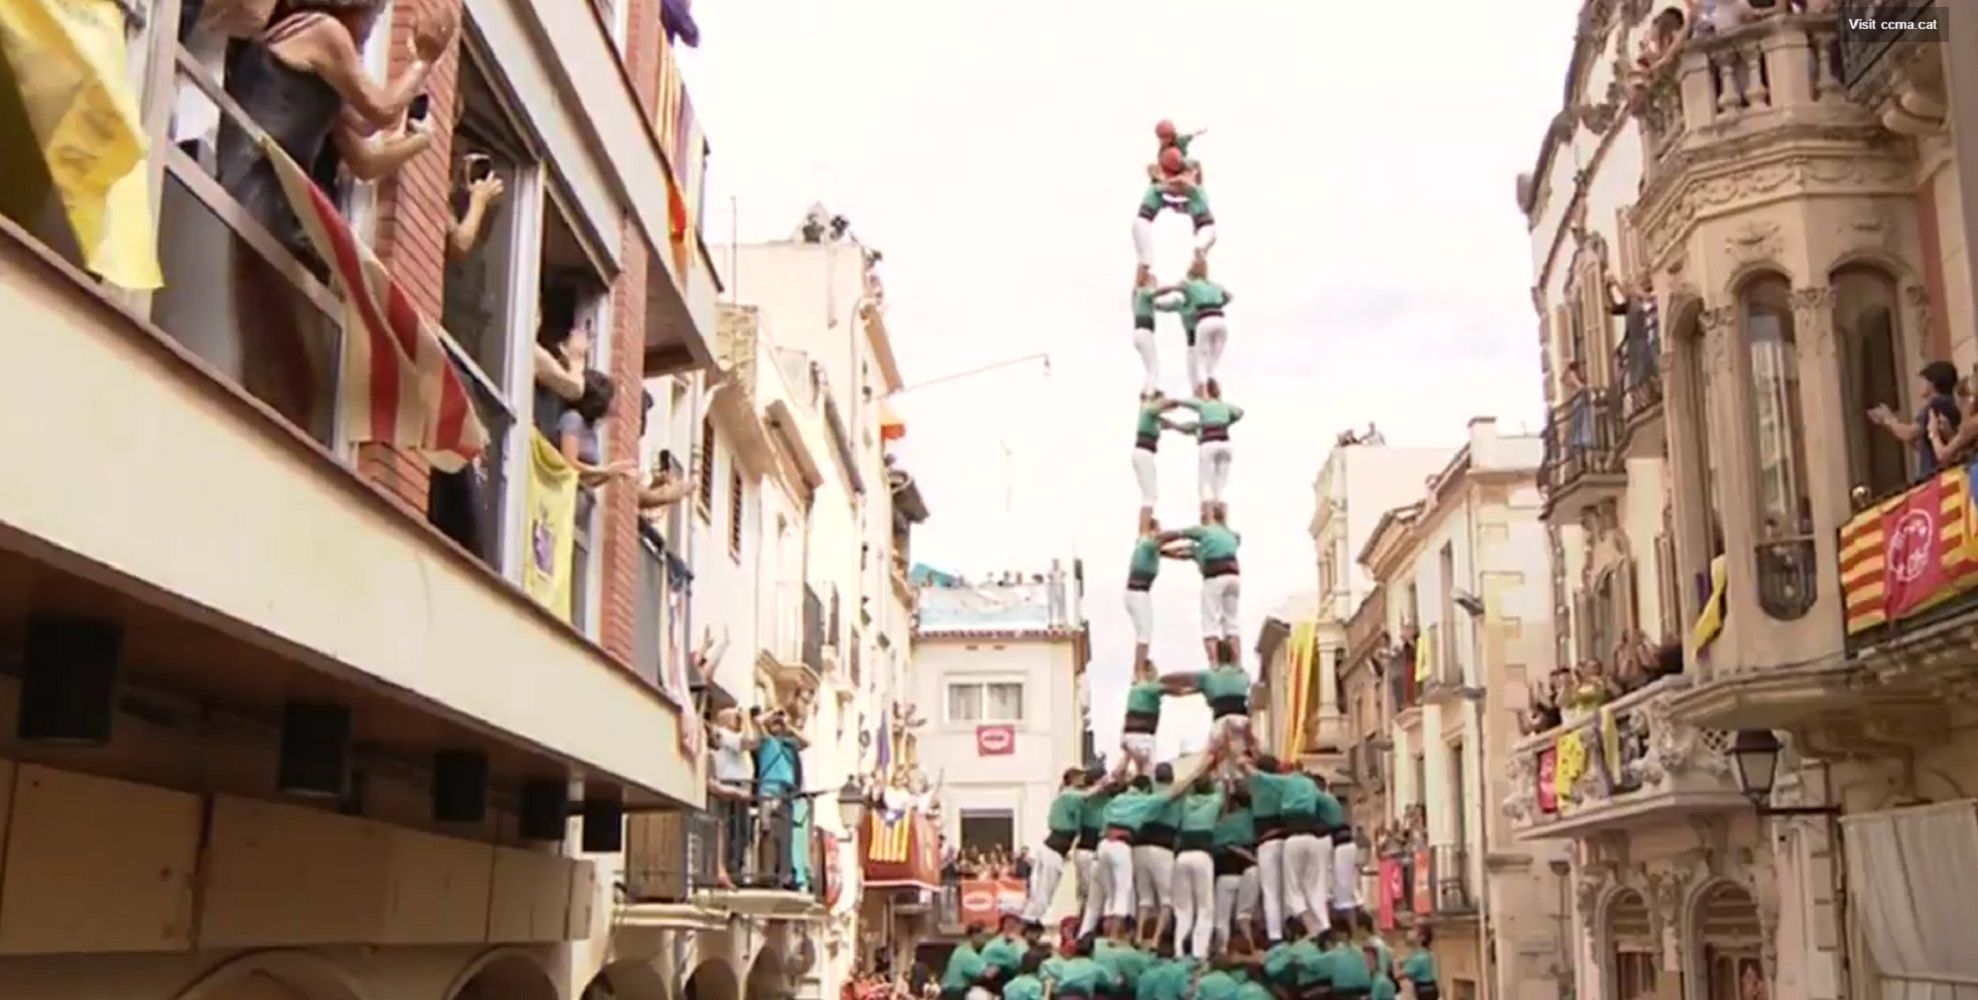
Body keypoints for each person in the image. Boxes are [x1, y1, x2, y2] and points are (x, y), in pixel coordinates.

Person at [1160, 515, 1243, 666]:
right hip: (1234, 576)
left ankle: (1214, 663)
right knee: (1231, 621)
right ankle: (1237, 662)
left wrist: (1157, 543)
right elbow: (1182, 553)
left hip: (1214, 576)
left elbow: (1179, 535)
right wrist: (1164, 553)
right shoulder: (1226, 536)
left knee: (1209, 621)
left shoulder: (1204, 532)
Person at [1869, 360, 1964, 481]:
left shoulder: (1936, 404)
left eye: (1923, 380)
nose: (1920, 385)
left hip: (1936, 475)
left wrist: (1888, 419)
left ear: (1932, 383)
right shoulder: (1949, 404)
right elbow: (1922, 443)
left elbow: (1910, 433)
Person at [1125, 519, 1196, 673]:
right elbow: (1164, 541)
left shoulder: (1153, 549)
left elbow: (1173, 553)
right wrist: (1183, 534)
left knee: (1144, 634)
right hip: (1138, 593)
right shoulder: (1146, 543)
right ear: (1152, 531)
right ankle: (1138, 672)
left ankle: (1141, 667)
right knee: (1144, 635)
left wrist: (1191, 552)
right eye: (1158, 530)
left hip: (1138, 593)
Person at [1162, 776, 1222, 959]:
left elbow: (1181, 789)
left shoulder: (1185, 802)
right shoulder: (1215, 800)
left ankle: (1179, 950)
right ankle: (1199, 951)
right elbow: (1223, 785)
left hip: (1182, 856)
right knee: (1205, 908)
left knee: (1182, 909)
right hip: (1202, 855)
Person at [1153, 262, 1233, 396]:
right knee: (1207, 366)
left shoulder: (1189, 297)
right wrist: (1218, 302)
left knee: (1201, 366)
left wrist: (1151, 296)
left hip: (1201, 333)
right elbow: (1163, 306)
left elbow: (1177, 289)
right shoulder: (1181, 303)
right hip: (1206, 330)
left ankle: (1205, 393)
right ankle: (1207, 391)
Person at [1170, 381, 1244, 522]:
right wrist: (1227, 421)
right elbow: (1239, 412)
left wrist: (1172, 403)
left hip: (1209, 444)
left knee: (1205, 484)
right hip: (1225, 443)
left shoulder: (1203, 405)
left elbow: (1184, 404)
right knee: (1222, 485)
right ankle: (1224, 519)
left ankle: (1209, 519)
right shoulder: (1224, 406)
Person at [1025, 768, 1089, 926]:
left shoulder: (1063, 797)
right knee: (1044, 894)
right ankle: (1029, 923)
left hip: (1050, 848)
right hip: (1054, 851)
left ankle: (1029, 921)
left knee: (1039, 892)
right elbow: (1086, 795)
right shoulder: (1069, 795)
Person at [1098, 776, 1158, 938]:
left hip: (1103, 844)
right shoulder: (1143, 800)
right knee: (1122, 892)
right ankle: (1114, 936)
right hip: (1121, 845)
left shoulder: (1118, 799)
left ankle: (1106, 932)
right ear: (1146, 789)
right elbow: (1168, 796)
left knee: (1109, 893)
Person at [1132, 163, 1216, 272]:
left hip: (1207, 228)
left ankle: (1198, 279)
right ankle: (1142, 284)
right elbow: (1172, 191)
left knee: (1199, 250)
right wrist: (1161, 176)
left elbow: (1181, 184)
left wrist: (1166, 177)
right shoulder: (1156, 189)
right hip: (1142, 223)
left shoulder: (1197, 190)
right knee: (1145, 260)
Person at [1244, 756, 1292, 944]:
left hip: (1266, 842)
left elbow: (1243, 765)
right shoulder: (1282, 784)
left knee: (1271, 892)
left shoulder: (1256, 785)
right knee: (1288, 889)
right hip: (1286, 840)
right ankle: (1291, 927)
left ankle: (1275, 936)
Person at [707, 707, 756, 888]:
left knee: (741, 834)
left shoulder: (727, 737)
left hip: (736, 787)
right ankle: (732, 871)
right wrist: (747, 719)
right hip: (732, 787)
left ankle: (735, 869)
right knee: (733, 833)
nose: (738, 717)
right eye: (734, 715)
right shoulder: (724, 734)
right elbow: (750, 741)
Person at [1133, 763, 1182, 945]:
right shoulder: (1177, 793)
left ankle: (1139, 935)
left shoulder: (1148, 791)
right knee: (1166, 899)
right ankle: (1156, 939)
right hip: (1163, 846)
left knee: (1144, 898)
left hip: (1139, 846)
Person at [1212, 786, 1261, 951]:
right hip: (1251, 871)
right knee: (1244, 917)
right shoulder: (1254, 819)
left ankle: (1223, 950)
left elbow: (1216, 844)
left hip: (1227, 873)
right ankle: (1250, 949)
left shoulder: (1224, 822)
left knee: (1222, 919)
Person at [1133, 396, 1190, 527]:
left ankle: (1147, 524)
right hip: (1143, 453)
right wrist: (1176, 401)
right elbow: (1157, 406)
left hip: (1147, 454)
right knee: (1150, 495)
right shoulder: (1148, 411)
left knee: (1151, 495)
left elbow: (1178, 427)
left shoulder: (1155, 419)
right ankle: (1144, 528)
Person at [1317, 779, 1358, 923]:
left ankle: (1349, 927)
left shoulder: (1323, 799)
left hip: (1341, 845)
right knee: (1342, 890)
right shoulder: (1329, 800)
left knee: (1343, 892)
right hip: (1341, 845)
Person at [1131, 270, 1164, 398]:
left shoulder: (1141, 297)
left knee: (1150, 367)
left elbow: (1160, 305)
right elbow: (1158, 293)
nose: (1155, 285)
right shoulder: (1144, 292)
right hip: (1144, 331)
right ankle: (1149, 394)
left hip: (1139, 332)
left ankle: (1147, 390)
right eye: (1154, 282)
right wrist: (1175, 287)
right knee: (1154, 368)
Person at [939, 925, 990, 1000]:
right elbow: (986, 974)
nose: (985, 940)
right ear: (974, 935)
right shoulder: (968, 954)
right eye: (983, 936)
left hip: (947, 992)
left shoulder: (959, 950)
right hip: (956, 994)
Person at [1399, 925, 1439, 1000]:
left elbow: (1399, 975)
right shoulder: (1426, 954)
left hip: (1425, 992)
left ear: (1422, 937)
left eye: (1414, 930)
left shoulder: (1418, 958)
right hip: (1430, 989)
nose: (1410, 932)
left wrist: (1394, 963)